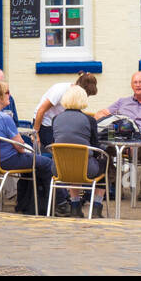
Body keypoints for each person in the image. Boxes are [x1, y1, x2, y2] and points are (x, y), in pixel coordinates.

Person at [0, 77, 55, 215]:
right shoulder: (4, 118)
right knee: (46, 162)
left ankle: (26, 203)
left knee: (31, 163)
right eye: (7, 92)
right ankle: (53, 204)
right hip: (6, 161)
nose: (9, 95)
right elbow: (20, 147)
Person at [95, 72, 141, 202]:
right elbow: (100, 115)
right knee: (102, 151)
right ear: (131, 85)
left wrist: (137, 141)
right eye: (135, 82)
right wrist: (110, 123)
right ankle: (116, 186)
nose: (138, 85)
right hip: (120, 141)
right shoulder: (122, 102)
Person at [51, 84, 105, 217]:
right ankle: (96, 207)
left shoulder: (55, 119)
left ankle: (75, 207)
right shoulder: (89, 120)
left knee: (72, 164)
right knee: (105, 164)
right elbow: (96, 147)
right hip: (85, 169)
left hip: (59, 168)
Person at [31, 72, 98, 150]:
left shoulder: (75, 94)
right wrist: (35, 134)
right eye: (86, 94)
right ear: (80, 88)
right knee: (58, 150)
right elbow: (41, 110)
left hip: (56, 122)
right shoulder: (60, 90)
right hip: (44, 123)